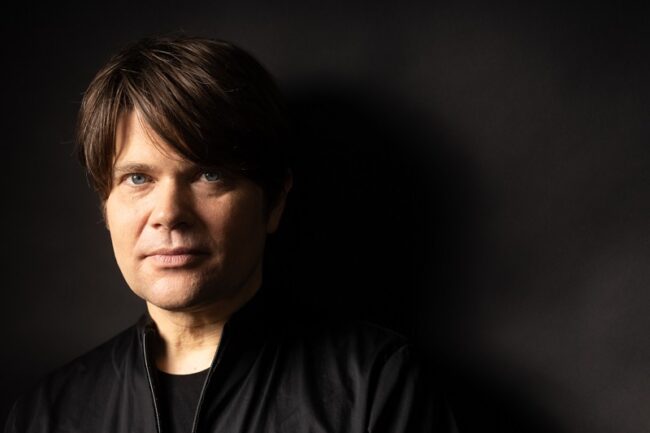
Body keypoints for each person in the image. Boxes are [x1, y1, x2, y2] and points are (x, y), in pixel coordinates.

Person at [4, 35, 456, 433]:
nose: (169, 214)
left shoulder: (376, 385)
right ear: (106, 205)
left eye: (209, 175)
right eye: (138, 178)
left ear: (274, 202)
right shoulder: (46, 415)